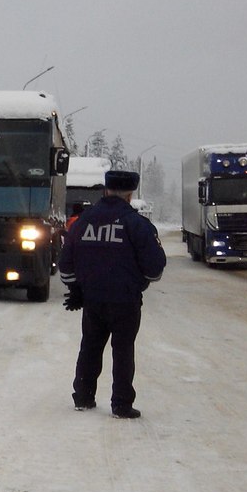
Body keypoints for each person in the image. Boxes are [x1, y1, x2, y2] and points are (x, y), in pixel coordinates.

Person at [58, 170, 166, 419]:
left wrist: (76, 289)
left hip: (93, 300)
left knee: (90, 347)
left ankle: (83, 397)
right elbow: (155, 268)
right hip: (125, 300)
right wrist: (138, 282)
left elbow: (66, 264)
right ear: (130, 194)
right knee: (123, 350)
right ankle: (121, 404)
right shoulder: (137, 224)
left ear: (105, 190)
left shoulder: (83, 221)